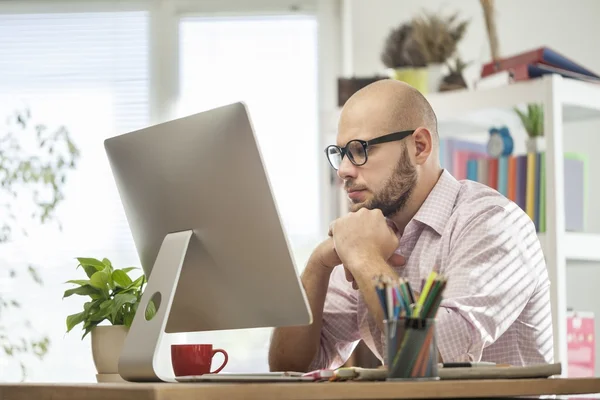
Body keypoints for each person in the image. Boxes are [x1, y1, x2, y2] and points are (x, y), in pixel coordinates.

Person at [268, 79, 553, 372]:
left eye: (359, 149)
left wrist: (365, 258)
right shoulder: (369, 232)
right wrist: (318, 264)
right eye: (340, 153)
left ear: (419, 146)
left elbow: (434, 353)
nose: (343, 170)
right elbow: (290, 367)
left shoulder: (495, 223)